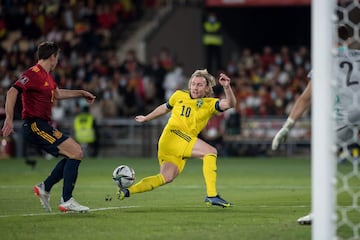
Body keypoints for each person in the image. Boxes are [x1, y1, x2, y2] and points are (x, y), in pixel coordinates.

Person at [271, 25, 360, 225]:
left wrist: (287, 126)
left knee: (323, 159)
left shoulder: (325, 61)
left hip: (345, 115)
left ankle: (319, 211)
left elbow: (305, 98)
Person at [117, 69, 236, 207]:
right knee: (210, 152)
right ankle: (212, 195)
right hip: (172, 135)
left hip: (178, 143)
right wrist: (146, 118)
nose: (195, 87)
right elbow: (164, 108)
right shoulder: (179, 95)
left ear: (207, 88)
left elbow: (230, 104)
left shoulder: (209, 104)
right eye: (193, 84)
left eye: (199, 85)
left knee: (166, 177)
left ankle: (127, 191)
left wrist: (227, 87)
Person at [1, 41, 96, 213]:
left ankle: (45, 187)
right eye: (57, 58)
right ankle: (67, 200)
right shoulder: (33, 73)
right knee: (76, 151)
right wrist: (8, 118)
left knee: (72, 155)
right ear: (52, 57)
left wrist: (81, 93)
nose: (57, 62)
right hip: (35, 125)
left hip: (42, 125)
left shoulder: (47, 77)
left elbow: (58, 94)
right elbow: (12, 91)